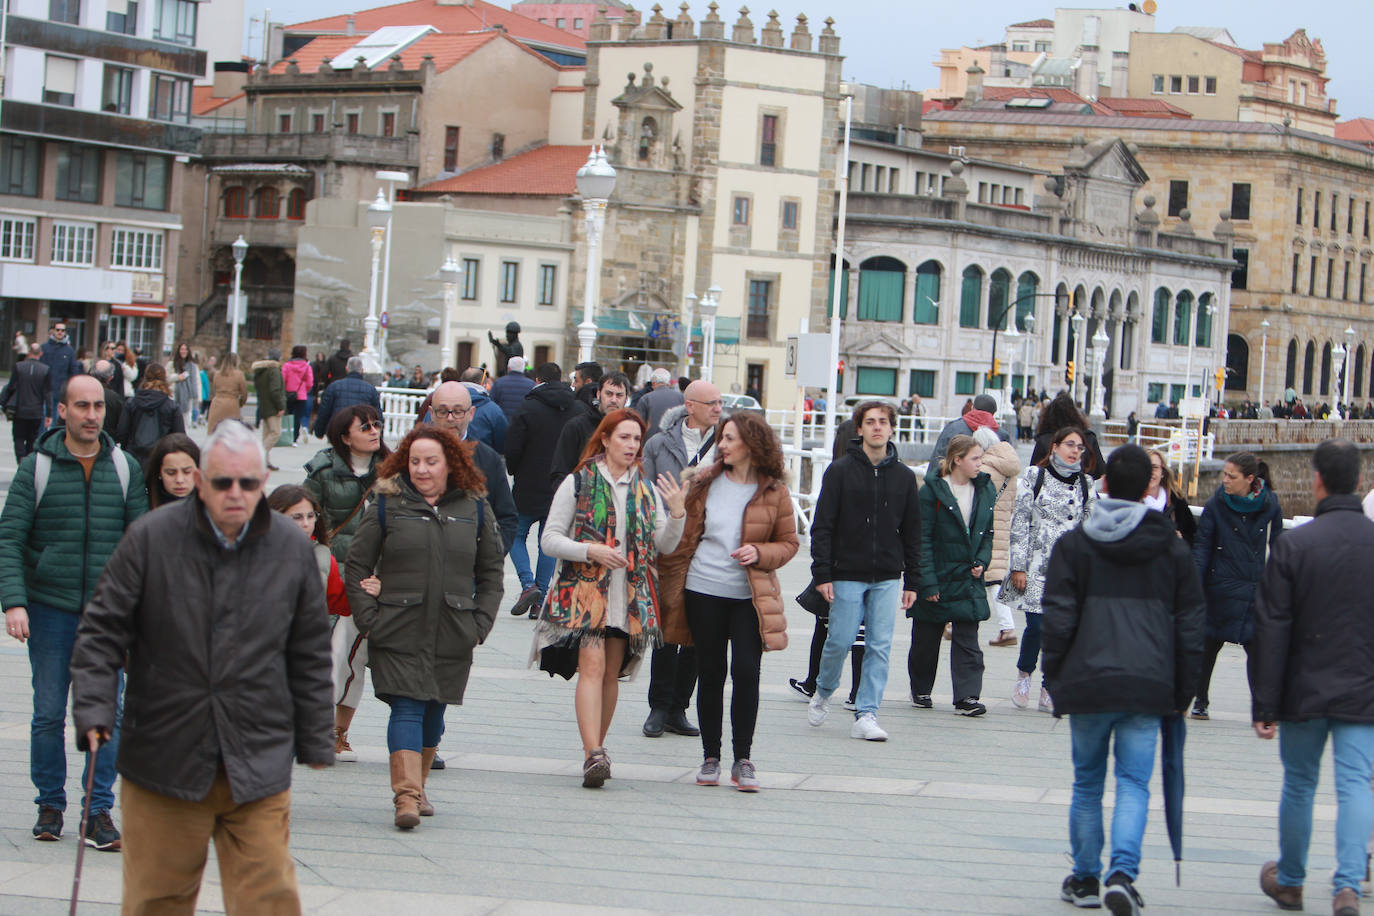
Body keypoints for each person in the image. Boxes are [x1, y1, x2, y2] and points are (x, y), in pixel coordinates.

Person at [69, 421, 333, 912]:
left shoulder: (289, 547)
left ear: (263, 480)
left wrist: (317, 733)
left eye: (249, 483)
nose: (236, 493)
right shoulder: (150, 537)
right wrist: (94, 709)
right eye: (222, 482)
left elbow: (310, 648)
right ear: (201, 479)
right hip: (164, 758)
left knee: (269, 901)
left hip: (255, 759)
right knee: (157, 902)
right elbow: (101, 632)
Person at [1041, 444, 1205, 913]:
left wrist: (1057, 678)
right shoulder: (1172, 548)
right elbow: (1190, 625)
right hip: (1148, 685)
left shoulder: (1073, 546)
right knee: (1134, 783)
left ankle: (1086, 878)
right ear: (1150, 487)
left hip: (1089, 684)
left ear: (1105, 484)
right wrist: (1183, 691)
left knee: (1088, 784)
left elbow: (1058, 619)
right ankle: (1122, 873)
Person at [0, 375, 148, 849]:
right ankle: (50, 804)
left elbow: (142, 547)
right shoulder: (36, 468)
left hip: (106, 616)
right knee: (47, 713)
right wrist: (15, 602)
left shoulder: (124, 468)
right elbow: (10, 539)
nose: (91, 415)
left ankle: (97, 811)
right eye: (81, 406)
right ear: (61, 410)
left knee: (108, 712)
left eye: (98, 406)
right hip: (49, 609)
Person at [345, 425, 503, 827]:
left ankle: (420, 786)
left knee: (434, 713)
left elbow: (490, 572)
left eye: (430, 462)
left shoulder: (475, 506)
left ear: (450, 464)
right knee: (407, 706)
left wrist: (480, 623)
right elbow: (356, 565)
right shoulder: (386, 501)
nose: (421, 469)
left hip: (454, 629)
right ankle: (407, 797)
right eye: (414, 461)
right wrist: (370, 619)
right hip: (397, 626)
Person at [1247, 440, 1374, 916]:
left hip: (1303, 687)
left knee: (1300, 783)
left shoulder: (1294, 545)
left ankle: (1292, 881)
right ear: (1359, 482)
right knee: (1356, 784)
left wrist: (1265, 702)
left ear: (1317, 480)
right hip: (1364, 690)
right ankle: (1346, 886)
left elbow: (1271, 627)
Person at [534, 409, 685, 787]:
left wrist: (679, 512)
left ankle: (597, 749)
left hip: (629, 598)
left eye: (637, 439)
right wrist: (590, 551)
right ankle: (593, 753)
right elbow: (549, 539)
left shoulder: (646, 489)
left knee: (611, 675)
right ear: (605, 439)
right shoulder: (579, 482)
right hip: (585, 595)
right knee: (593, 667)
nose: (632, 446)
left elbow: (664, 543)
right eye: (624, 438)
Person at [658, 411, 797, 790]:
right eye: (721, 438)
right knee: (711, 671)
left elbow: (789, 543)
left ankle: (743, 758)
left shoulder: (775, 490)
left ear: (752, 444)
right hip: (704, 589)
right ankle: (710, 756)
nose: (722, 444)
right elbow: (681, 533)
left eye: (730, 438)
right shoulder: (704, 482)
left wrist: (760, 552)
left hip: (749, 596)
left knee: (748, 672)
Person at [808, 400, 921, 742]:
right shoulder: (840, 471)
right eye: (870, 422)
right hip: (847, 571)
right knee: (840, 640)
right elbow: (822, 525)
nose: (876, 427)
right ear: (859, 429)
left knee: (879, 644)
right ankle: (824, 690)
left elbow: (914, 532)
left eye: (882, 422)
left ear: (891, 428)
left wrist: (913, 578)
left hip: (887, 573)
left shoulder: (904, 477)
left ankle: (867, 712)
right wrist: (822, 573)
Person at [304, 404, 390, 763]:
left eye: (377, 424)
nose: (374, 431)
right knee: (329, 654)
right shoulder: (323, 470)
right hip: (329, 573)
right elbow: (302, 514)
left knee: (355, 656)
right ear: (344, 436)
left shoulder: (392, 471)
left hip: (370, 576)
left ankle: (339, 732)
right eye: (364, 426)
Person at [638, 379, 723, 738]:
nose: (718, 408)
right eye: (711, 403)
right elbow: (643, 489)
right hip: (670, 543)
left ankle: (679, 707)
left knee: (699, 628)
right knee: (668, 626)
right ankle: (658, 706)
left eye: (720, 403)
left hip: (710, 546)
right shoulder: (659, 443)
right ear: (690, 406)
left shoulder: (726, 445)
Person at [1002, 425, 1097, 714]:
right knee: (1038, 627)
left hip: (1069, 571)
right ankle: (1024, 674)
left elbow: (1092, 527)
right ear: (1054, 447)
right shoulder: (1034, 476)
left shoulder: (1086, 484)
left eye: (1079, 447)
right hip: (1035, 565)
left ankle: (1050, 684)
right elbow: (1020, 522)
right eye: (1069, 444)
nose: (1074, 451)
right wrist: (1018, 566)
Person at [1190, 451, 1283, 720]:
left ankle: (1262, 706)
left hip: (1254, 588)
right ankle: (1200, 699)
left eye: (1232, 476)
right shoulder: (1216, 503)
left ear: (1250, 479)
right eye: (1224, 474)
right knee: (1208, 646)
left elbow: (1278, 548)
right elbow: (1203, 547)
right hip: (1220, 586)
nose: (1225, 480)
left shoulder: (1270, 504)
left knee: (1257, 650)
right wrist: (1194, 584)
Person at [909, 434, 995, 716]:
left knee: (969, 639)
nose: (980, 463)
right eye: (975, 458)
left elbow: (988, 533)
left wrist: (982, 560)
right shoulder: (932, 491)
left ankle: (967, 697)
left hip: (968, 578)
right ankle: (921, 689)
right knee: (926, 638)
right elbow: (921, 539)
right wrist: (927, 582)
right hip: (938, 574)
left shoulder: (984, 489)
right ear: (957, 460)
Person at [505, 362, 581, 618]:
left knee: (515, 533)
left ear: (537, 379)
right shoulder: (576, 408)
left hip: (528, 482)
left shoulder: (529, 407)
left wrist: (514, 470)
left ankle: (528, 585)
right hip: (561, 484)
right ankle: (540, 598)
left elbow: (513, 447)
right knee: (548, 540)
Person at [426, 381, 518, 551]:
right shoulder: (413, 456)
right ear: (432, 413)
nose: (451, 418)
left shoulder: (489, 460)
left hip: (470, 569)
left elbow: (506, 518)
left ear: (471, 413)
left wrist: (489, 558)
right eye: (443, 411)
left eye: (458, 411)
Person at [268, 484, 368, 620]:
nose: (306, 524)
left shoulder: (323, 557)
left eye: (310, 516)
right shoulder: (252, 551)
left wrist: (366, 590)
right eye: (297, 517)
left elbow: (342, 605)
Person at [964, 426, 1021, 648]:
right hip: (1003, 525)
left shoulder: (983, 467)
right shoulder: (1011, 470)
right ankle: (1007, 628)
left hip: (983, 526)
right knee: (996, 577)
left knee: (972, 571)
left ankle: (950, 622)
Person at [550, 371, 630, 492]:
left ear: (626, 399)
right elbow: (560, 472)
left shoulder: (632, 431)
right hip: (582, 503)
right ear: (598, 394)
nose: (613, 400)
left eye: (619, 395)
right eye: (609, 394)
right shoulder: (577, 426)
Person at [116, 364, 185, 463]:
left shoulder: (131, 403)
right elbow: (180, 437)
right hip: (161, 458)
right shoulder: (172, 406)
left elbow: (122, 433)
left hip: (133, 456)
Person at [1029, 393, 1106, 477]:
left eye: (1080, 447)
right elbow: (1100, 470)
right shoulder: (1088, 438)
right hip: (1082, 486)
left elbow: (1033, 471)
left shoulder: (1044, 439)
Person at [929, 393, 1011, 466]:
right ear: (994, 413)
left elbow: (937, 459)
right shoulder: (1002, 435)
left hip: (953, 480)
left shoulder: (953, 428)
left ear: (972, 408)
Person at [1, 342, 49, 459]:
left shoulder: (19, 367)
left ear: (28, 353)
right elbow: (47, 393)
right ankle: (28, 459)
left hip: (20, 409)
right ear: (41, 354)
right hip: (36, 411)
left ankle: (21, 459)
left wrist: (4, 402)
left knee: (18, 437)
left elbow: (11, 387)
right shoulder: (45, 370)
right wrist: (49, 413)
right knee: (32, 438)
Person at [313, 356, 381, 438]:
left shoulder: (334, 387)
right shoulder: (370, 389)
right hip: (361, 430)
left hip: (337, 429)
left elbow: (324, 411)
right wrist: (378, 436)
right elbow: (377, 414)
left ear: (347, 369)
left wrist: (319, 431)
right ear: (362, 370)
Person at [1144, 449, 1196, 543]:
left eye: (1155, 467)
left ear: (1163, 472)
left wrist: (1181, 539)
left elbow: (1192, 536)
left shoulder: (1176, 500)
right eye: (1145, 467)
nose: (1150, 472)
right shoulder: (1132, 501)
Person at [252, 349, 287, 471]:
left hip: (264, 404)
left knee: (267, 433)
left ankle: (265, 461)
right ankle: (259, 454)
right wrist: (281, 406)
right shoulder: (274, 371)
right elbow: (275, 390)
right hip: (272, 406)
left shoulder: (261, 371)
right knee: (275, 433)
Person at [144, 433, 200, 510]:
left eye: (187, 472)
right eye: (171, 473)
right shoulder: (144, 506)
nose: (179, 480)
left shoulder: (212, 507)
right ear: (159, 473)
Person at [459, 367, 508, 452]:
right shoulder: (493, 411)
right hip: (483, 461)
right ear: (484, 385)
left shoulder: (440, 406)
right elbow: (503, 444)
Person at [38, 322, 76, 425]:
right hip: (45, 390)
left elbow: (73, 371)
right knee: (43, 419)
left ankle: (55, 440)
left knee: (57, 421)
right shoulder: (45, 347)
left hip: (60, 391)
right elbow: (39, 367)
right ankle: (43, 440)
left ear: (65, 332)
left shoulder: (69, 351)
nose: (60, 332)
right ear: (53, 331)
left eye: (62, 330)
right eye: (58, 330)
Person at [282, 345, 315, 446]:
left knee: (288, 416)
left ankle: (287, 434)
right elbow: (310, 382)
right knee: (298, 417)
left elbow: (283, 379)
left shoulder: (287, 365)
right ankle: (294, 438)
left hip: (289, 394)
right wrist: (305, 390)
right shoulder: (307, 367)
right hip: (301, 395)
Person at [206, 352, 248, 432]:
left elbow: (215, 387)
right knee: (231, 432)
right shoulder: (239, 375)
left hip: (217, 403)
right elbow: (244, 393)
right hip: (232, 404)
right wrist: (240, 403)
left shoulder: (217, 374)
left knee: (214, 430)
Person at [636, 367, 685, 434]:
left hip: (651, 440)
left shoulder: (646, 399)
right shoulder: (681, 397)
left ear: (653, 383)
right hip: (675, 440)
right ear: (669, 383)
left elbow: (640, 425)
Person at [490, 355, 535, 419]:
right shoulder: (531, 385)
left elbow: (492, 404)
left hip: (503, 422)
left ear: (508, 368)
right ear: (523, 369)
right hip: (523, 424)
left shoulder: (498, 383)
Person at [90, 359, 125, 437]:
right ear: (110, 377)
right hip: (107, 441)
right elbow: (122, 426)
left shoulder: (79, 393)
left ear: (91, 373)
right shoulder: (115, 399)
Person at [170, 342, 201, 430]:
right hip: (174, 394)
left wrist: (197, 397)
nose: (183, 351)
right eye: (182, 349)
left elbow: (196, 381)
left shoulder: (193, 366)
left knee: (186, 419)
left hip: (188, 396)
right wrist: (177, 377)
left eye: (185, 349)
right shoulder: (172, 364)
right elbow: (166, 378)